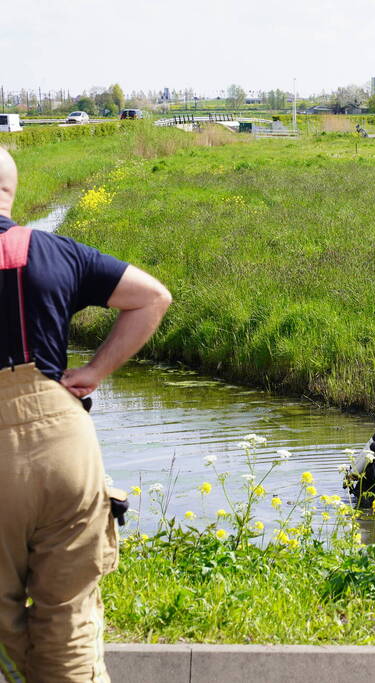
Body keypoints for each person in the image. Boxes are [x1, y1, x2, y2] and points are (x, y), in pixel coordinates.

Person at [0, 147, 172, 682]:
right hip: (62, 440)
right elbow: (152, 297)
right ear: (11, 190)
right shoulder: (52, 251)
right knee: (69, 621)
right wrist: (92, 373)